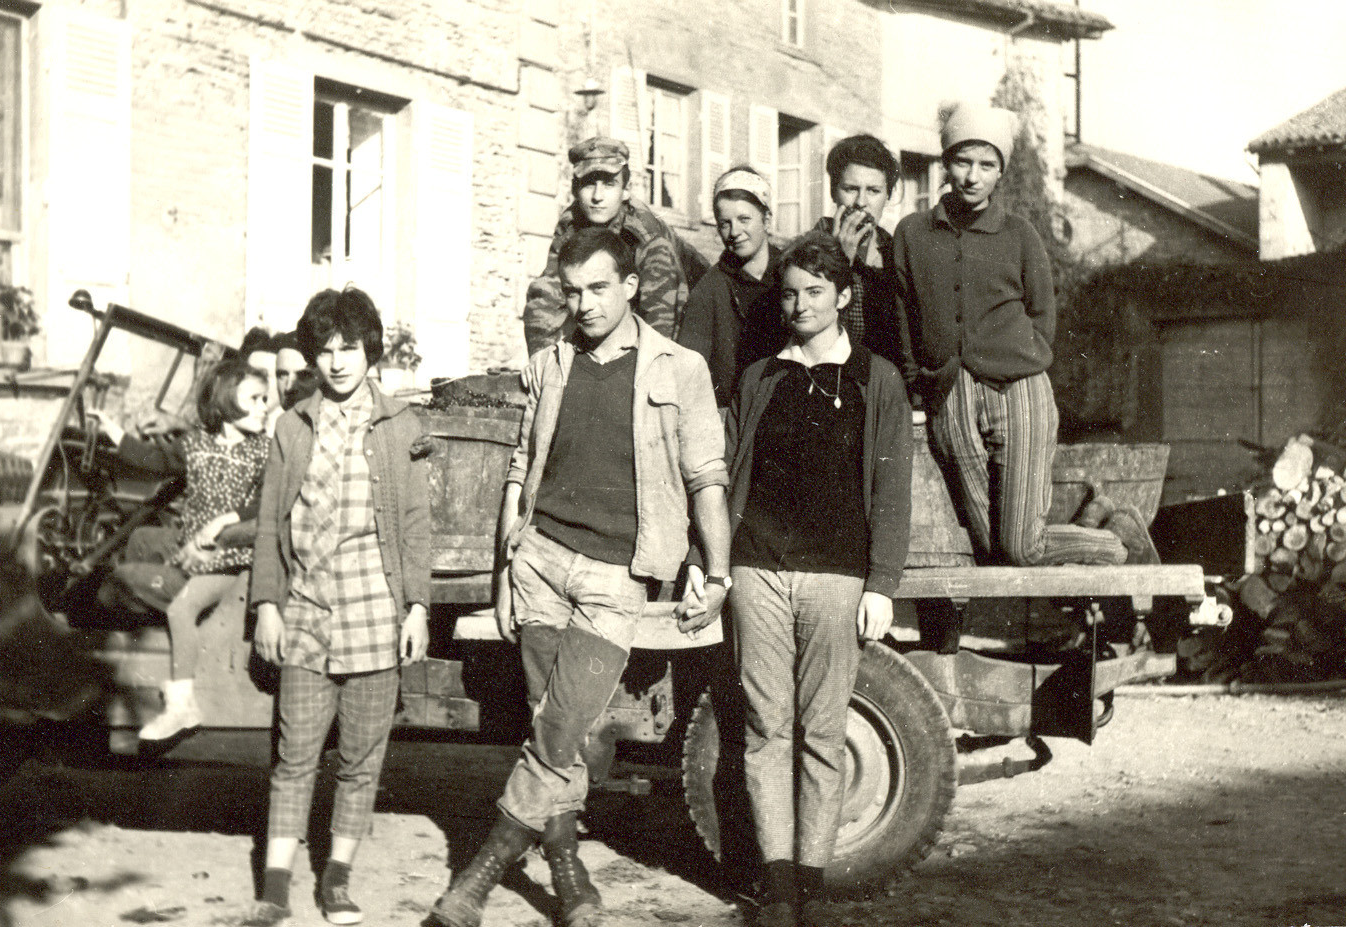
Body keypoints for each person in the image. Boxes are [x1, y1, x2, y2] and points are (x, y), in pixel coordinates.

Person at [429, 228, 730, 927]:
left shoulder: (678, 367)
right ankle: (570, 881)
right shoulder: (549, 363)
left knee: (560, 728)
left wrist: (715, 569)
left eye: (598, 288)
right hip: (539, 561)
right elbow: (518, 467)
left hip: (614, 574)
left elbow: (705, 476)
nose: (583, 304)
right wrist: (507, 568)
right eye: (572, 290)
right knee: (551, 729)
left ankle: (478, 873)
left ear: (630, 286)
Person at [724, 234, 912, 927]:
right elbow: (727, 475)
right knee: (764, 727)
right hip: (758, 570)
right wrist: (713, 563)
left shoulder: (876, 378)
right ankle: (776, 889)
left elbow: (893, 487)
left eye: (813, 291)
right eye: (790, 291)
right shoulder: (759, 377)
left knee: (823, 733)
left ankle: (812, 883)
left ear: (842, 296)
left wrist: (881, 583)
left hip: (838, 574)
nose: (799, 304)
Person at [892, 103, 1150, 566]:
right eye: (962, 161)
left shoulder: (1019, 234)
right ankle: (1093, 523)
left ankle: (1117, 538)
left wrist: (1021, 362)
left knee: (1021, 547)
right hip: (949, 396)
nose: (973, 176)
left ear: (1000, 172)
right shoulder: (911, 234)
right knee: (989, 548)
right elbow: (905, 314)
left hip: (1018, 393)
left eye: (987, 165)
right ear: (945, 163)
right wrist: (922, 383)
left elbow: (1042, 314)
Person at [249, 287, 433, 926]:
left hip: (374, 614)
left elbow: (414, 524)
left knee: (360, 761)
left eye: (348, 348)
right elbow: (273, 520)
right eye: (323, 350)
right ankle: (275, 884)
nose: (335, 362)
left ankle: (336, 880)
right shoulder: (292, 425)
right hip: (305, 613)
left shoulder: (400, 426)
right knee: (294, 754)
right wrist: (267, 605)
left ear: (369, 351)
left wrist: (417, 607)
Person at [90, 357, 271, 740]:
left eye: (265, 399)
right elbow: (154, 461)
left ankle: (182, 703)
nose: (264, 406)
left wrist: (228, 519)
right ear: (225, 400)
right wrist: (116, 434)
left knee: (181, 608)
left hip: (230, 560)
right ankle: (139, 636)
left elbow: (267, 501)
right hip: (191, 543)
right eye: (255, 398)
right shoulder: (195, 445)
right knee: (140, 545)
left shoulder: (263, 451)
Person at [523, 137, 708, 355]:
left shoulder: (644, 232)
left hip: (693, 310)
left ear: (626, 190)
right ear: (575, 189)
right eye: (589, 183)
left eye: (609, 184)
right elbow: (548, 294)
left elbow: (659, 313)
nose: (597, 197)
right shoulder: (571, 225)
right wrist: (541, 361)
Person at [676, 166, 786, 408]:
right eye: (725, 223)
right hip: (733, 416)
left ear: (766, 220)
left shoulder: (790, 275)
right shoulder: (709, 289)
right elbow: (688, 372)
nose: (735, 232)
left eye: (744, 219)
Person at [811, 134, 901, 359]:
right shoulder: (807, 249)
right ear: (833, 192)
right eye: (851, 189)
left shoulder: (895, 251)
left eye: (873, 190)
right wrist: (840, 259)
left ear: (887, 195)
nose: (861, 202)